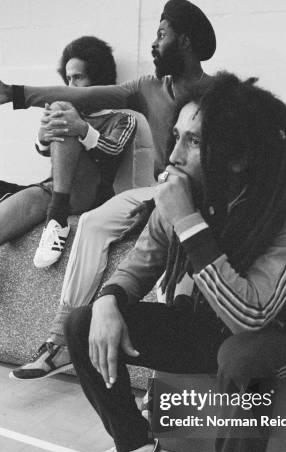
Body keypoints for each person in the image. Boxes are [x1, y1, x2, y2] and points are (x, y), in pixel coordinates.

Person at [62, 72, 286, 452]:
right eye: (176, 134)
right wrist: (110, 299)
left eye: (192, 140)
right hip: (199, 327)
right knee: (82, 322)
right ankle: (135, 450)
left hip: (263, 342)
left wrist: (188, 220)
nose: (172, 150)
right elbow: (140, 262)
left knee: (241, 361)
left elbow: (253, 313)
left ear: (237, 157)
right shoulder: (179, 189)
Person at [5, 0, 216, 380]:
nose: (154, 43)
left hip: (203, 196)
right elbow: (84, 98)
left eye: (161, 35)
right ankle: (60, 342)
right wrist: (17, 93)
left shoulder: (218, 93)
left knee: (174, 251)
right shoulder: (144, 88)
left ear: (184, 41)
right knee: (92, 221)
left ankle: (164, 380)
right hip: (158, 187)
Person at [0, 36, 136, 268]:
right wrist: (43, 138)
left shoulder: (122, 118)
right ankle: (56, 213)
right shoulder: (70, 110)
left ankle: (57, 218)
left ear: (98, 76)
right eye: (68, 78)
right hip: (55, 190)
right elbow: (46, 153)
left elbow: (112, 152)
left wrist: (83, 130)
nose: (71, 86)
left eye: (78, 77)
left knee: (61, 107)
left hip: (92, 195)